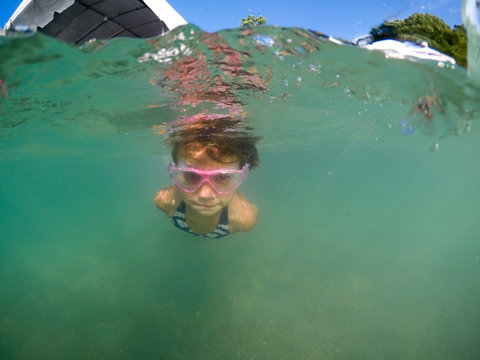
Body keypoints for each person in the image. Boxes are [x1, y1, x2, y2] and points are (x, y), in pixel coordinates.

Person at [154, 115, 261, 238]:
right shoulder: (165, 202)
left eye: (222, 177)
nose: (205, 195)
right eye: (191, 176)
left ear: (242, 177)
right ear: (175, 173)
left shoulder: (243, 220)